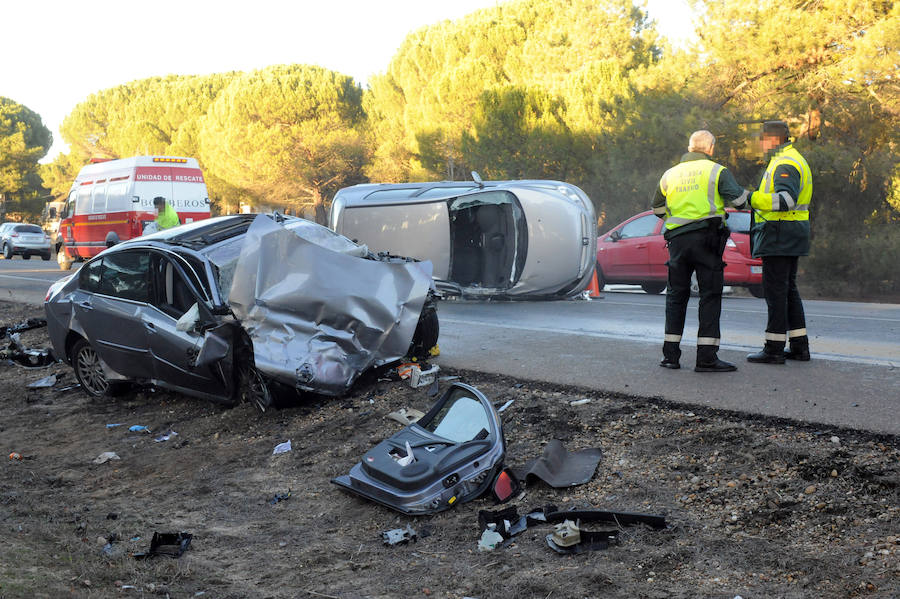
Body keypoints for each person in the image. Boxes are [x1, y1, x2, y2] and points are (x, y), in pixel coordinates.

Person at [652, 130, 751, 372]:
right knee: (709, 296)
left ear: (689, 148)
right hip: (707, 240)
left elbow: (657, 208)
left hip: (677, 241)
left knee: (676, 296)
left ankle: (670, 357)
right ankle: (706, 358)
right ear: (711, 148)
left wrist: (677, 221)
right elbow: (740, 201)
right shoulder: (717, 171)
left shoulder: (670, 174)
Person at [744, 120, 813, 364]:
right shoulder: (791, 158)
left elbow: (786, 200)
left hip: (780, 234)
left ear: (773, 139)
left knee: (775, 291)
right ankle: (799, 347)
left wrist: (752, 198)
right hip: (789, 233)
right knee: (788, 290)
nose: (760, 144)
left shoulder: (785, 162)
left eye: (762, 139)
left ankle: (773, 349)